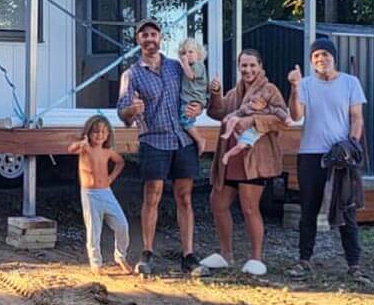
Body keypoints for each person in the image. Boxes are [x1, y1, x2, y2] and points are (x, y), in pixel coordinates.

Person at [116, 18, 219, 275]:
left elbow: (196, 88)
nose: (149, 39)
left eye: (153, 34)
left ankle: (188, 255)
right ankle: (147, 253)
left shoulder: (176, 66)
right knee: (153, 195)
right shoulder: (132, 74)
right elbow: (122, 113)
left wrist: (200, 105)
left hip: (182, 139)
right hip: (154, 139)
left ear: (160, 38)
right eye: (144, 35)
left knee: (185, 196)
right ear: (138, 40)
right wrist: (132, 109)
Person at [197, 49, 288, 277]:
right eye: (243, 66)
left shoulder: (269, 90)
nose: (247, 70)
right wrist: (216, 94)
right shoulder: (235, 93)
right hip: (230, 159)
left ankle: (256, 257)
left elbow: (282, 118)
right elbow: (217, 113)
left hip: (253, 158)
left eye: (252, 66)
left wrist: (252, 120)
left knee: (249, 207)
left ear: (260, 66)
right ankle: (226, 254)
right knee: (217, 202)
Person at [287, 38, 369, 282]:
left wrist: (351, 145)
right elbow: (296, 114)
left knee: (346, 210)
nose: (321, 59)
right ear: (312, 61)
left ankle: (354, 264)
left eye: (325, 55)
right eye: (316, 56)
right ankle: (304, 260)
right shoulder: (306, 84)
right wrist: (294, 87)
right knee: (308, 209)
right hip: (311, 153)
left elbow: (357, 118)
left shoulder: (350, 83)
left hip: (340, 156)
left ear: (333, 57)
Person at [68, 115, 133, 275]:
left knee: (122, 225)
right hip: (90, 194)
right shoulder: (85, 148)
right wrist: (81, 143)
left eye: (104, 131)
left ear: (108, 134)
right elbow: (71, 149)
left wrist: (111, 178)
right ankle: (96, 263)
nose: (100, 135)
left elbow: (120, 162)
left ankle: (120, 256)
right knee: (94, 230)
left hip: (106, 192)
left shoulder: (107, 151)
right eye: (96, 131)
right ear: (88, 133)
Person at [178, 38, 210, 155]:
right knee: (184, 120)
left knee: (185, 121)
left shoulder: (198, 66)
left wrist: (184, 63)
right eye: (184, 53)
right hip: (187, 99)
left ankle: (200, 139)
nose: (187, 55)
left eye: (190, 52)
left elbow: (190, 76)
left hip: (193, 100)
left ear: (199, 54)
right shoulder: (189, 66)